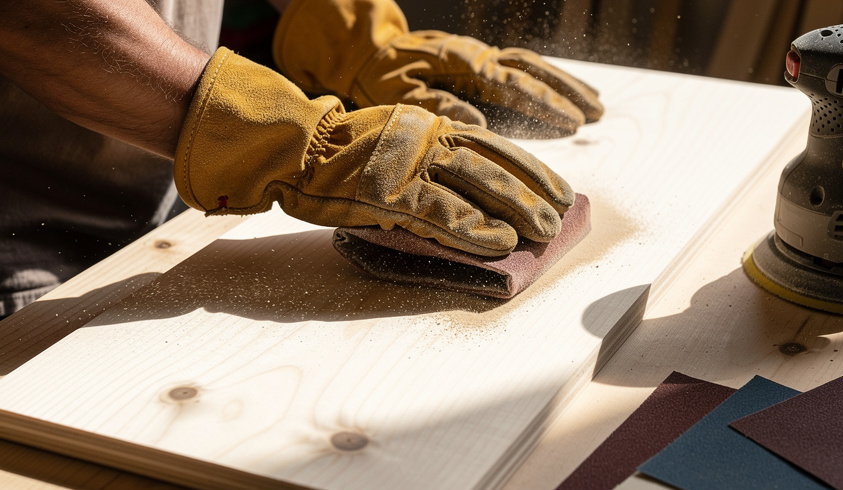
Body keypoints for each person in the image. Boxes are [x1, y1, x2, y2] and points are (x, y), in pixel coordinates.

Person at [0, 0, 603, 317]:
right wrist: (295, 143)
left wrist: (358, 35)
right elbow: (38, 15)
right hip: (22, 249)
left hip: (166, 210)